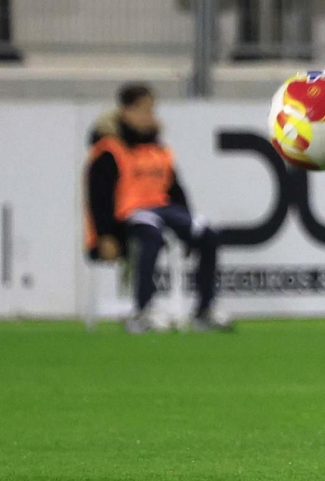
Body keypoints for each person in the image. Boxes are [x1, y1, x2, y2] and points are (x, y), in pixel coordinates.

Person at [84, 83, 233, 333]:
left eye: (152, 110)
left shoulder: (158, 150)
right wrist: (104, 235)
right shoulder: (109, 151)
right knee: (151, 235)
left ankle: (204, 308)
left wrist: (187, 225)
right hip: (128, 215)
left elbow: (176, 190)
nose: (149, 117)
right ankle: (143, 309)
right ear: (125, 112)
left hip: (163, 210)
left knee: (207, 234)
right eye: (143, 110)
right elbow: (98, 198)